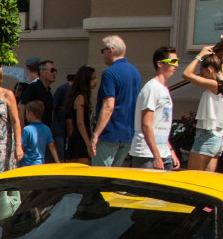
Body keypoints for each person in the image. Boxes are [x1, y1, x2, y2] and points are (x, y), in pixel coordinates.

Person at [180, 41, 223, 172]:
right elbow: (219, 64)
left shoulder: (214, 85)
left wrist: (200, 55)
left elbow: (186, 74)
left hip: (207, 135)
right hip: (218, 137)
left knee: (193, 178)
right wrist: (221, 45)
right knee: (206, 180)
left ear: (210, 70)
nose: (202, 76)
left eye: (203, 73)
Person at [91, 35, 143, 167]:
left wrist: (96, 134)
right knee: (113, 178)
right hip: (128, 133)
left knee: (99, 177)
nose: (102, 55)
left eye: (102, 51)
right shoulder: (135, 72)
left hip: (111, 133)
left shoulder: (110, 73)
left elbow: (108, 106)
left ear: (111, 50)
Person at [129, 46, 180, 171]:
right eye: (173, 62)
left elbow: (161, 123)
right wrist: (156, 156)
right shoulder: (152, 88)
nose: (176, 65)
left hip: (164, 153)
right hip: (147, 154)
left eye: (177, 61)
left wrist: (170, 151)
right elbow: (146, 125)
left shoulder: (164, 89)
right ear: (160, 64)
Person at [64, 66, 96, 164]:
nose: (96, 81)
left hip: (79, 137)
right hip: (80, 139)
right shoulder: (80, 98)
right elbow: (80, 122)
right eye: (93, 78)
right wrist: (88, 143)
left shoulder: (79, 96)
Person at [19, 60, 57, 130]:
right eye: (52, 70)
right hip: (33, 131)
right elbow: (22, 109)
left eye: (55, 70)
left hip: (44, 132)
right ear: (42, 72)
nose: (54, 73)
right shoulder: (32, 88)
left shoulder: (48, 92)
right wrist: (22, 131)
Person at [20, 100, 59, 166]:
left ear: (31, 114)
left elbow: (22, 148)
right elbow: (52, 146)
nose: (25, 116)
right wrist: (57, 161)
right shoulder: (46, 129)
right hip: (40, 164)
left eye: (26, 113)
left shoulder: (27, 130)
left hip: (27, 165)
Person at [51, 73, 72, 153]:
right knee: (61, 154)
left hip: (69, 130)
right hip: (60, 128)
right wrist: (52, 126)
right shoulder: (63, 89)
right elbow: (53, 107)